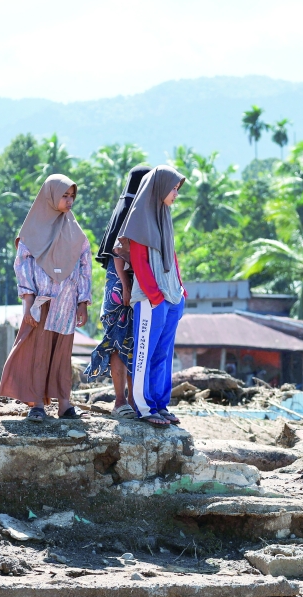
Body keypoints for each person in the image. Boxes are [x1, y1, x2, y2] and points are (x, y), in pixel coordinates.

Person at [0, 174, 91, 422]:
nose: (69, 200)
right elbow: (23, 267)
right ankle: (37, 404)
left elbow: (85, 266)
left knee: (63, 354)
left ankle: (64, 404)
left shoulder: (76, 232)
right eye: (64, 195)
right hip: (43, 303)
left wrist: (83, 302)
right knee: (38, 353)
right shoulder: (31, 232)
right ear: (50, 196)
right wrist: (28, 304)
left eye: (72, 196)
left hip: (67, 305)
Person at [113, 165, 187, 427]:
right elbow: (139, 261)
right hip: (150, 297)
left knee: (163, 354)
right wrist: (155, 296)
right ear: (159, 187)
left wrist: (179, 288)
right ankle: (144, 407)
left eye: (178, 189)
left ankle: (159, 404)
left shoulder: (164, 215)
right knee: (145, 353)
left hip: (171, 296)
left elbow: (172, 255)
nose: (176, 193)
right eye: (173, 188)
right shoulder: (141, 217)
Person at [85, 164, 151, 417]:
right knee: (124, 344)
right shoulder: (133, 212)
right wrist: (126, 286)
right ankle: (123, 402)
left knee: (124, 343)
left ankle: (127, 402)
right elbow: (118, 254)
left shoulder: (124, 208)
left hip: (121, 286)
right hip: (125, 287)